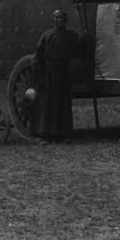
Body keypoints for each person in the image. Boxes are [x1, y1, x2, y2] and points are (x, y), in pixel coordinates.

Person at [30, 9, 81, 143]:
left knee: (62, 104)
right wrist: (39, 76)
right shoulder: (47, 36)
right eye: (56, 18)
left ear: (66, 20)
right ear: (53, 20)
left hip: (63, 73)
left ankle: (62, 134)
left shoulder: (71, 36)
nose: (59, 20)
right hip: (48, 73)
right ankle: (43, 135)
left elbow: (77, 50)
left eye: (61, 18)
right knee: (46, 105)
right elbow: (38, 57)